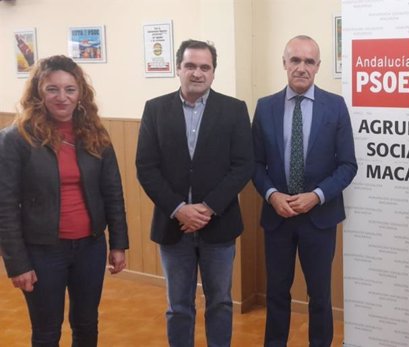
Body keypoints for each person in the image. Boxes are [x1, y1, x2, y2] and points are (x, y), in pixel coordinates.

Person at [0, 55, 129, 346]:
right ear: (38, 92)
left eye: (70, 89)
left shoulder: (95, 134)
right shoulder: (15, 139)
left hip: (90, 247)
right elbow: (4, 207)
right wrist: (17, 263)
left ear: (80, 93)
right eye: (52, 89)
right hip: (42, 251)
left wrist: (118, 243)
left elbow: (113, 192)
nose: (62, 97)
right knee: (46, 332)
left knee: (87, 325)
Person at [135, 39, 254, 347]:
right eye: (190, 66)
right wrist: (179, 209)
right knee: (178, 308)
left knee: (220, 303)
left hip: (219, 224)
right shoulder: (155, 109)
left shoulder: (234, 110)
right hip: (173, 227)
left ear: (214, 72)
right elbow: (146, 167)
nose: (197, 73)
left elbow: (242, 166)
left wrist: (207, 208)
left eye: (205, 67)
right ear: (178, 69)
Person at [252, 35, 357, 347]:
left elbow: (348, 165)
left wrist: (317, 195)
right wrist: (272, 194)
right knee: (276, 294)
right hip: (277, 217)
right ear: (284, 63)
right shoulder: (265, 106)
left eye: (309, 61)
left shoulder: (335, 107)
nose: (301, 67)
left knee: (321, 296)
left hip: (319, 218)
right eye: (295, 60)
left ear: (318, 66)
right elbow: (254, 164)